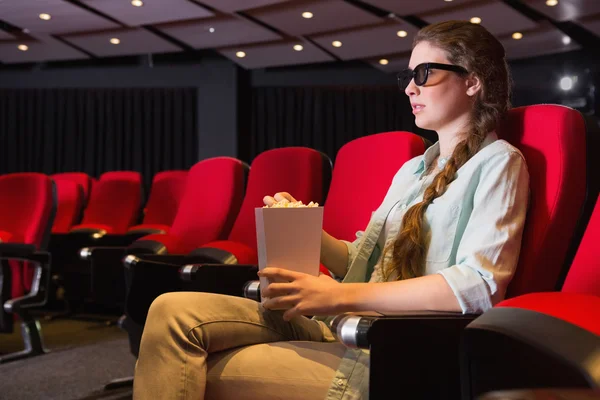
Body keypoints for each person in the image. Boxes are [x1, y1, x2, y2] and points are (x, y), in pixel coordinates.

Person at [132, 20, 530, 400]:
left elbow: (478, 286)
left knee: (185, 367)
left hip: (391, 346)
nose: (410, 88)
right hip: (339, 325)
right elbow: (362, 259)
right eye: (408, 77)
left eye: (424, 73)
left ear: (473, 81)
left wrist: (339, 296)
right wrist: (305, 231)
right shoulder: (413, 170)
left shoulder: (498, 162)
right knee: (169, 309)